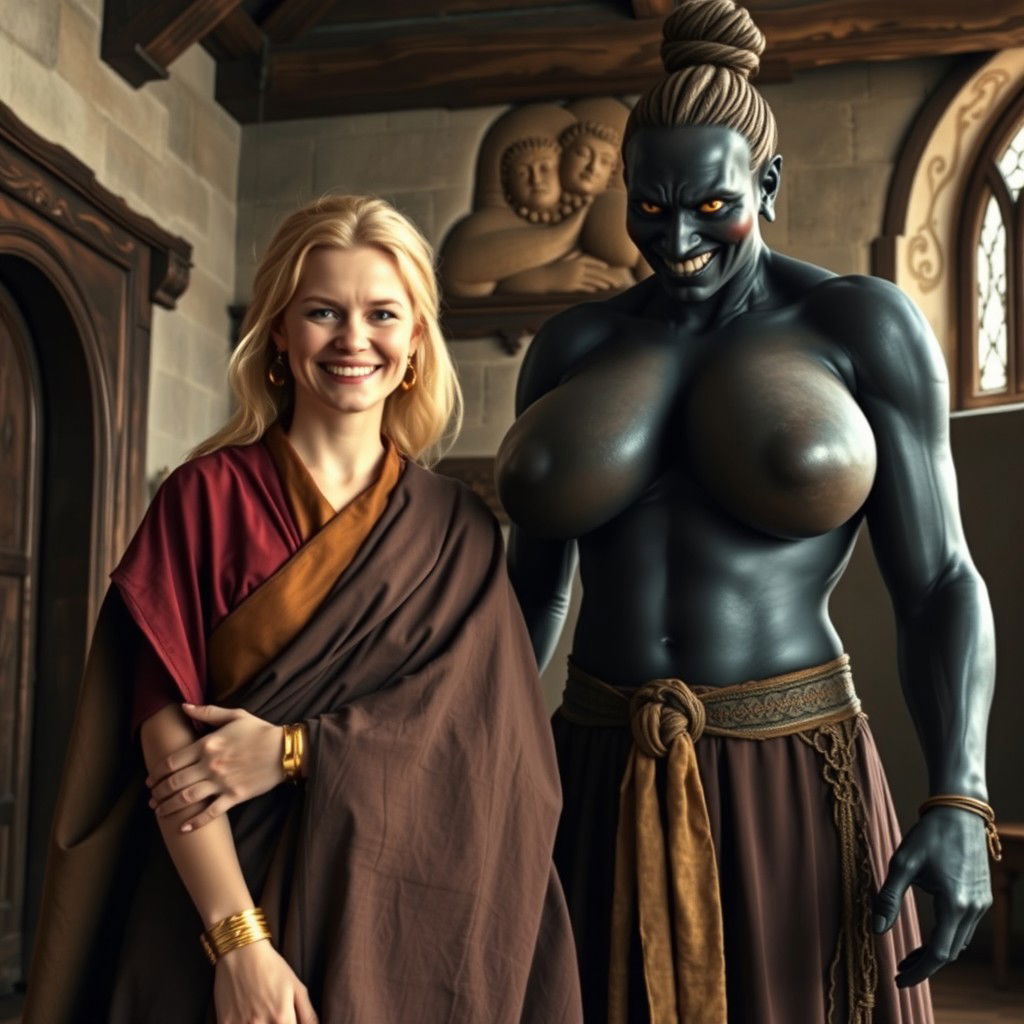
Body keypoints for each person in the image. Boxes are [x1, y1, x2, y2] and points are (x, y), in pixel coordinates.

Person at [496, 2, 996, 1023]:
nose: (675, 239)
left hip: (792, 773)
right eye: (648, 207)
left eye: (711, 205)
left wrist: (960, 793)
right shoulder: (571, 345)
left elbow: (939, 579)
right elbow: (530, 595)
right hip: (595, 764)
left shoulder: (859, 323)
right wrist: (478, 759)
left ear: (768, 184)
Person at [25, 195, 583, 1023]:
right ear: (280, 333)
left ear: (416, 341)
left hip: (393, 919)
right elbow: (163, 735)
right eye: (323, 312)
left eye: (382, 314)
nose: (354, 339)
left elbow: (492, 747)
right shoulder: (203, 497)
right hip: (209, 913)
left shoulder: (458, 527)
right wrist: (239, 945)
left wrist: (297, 751)